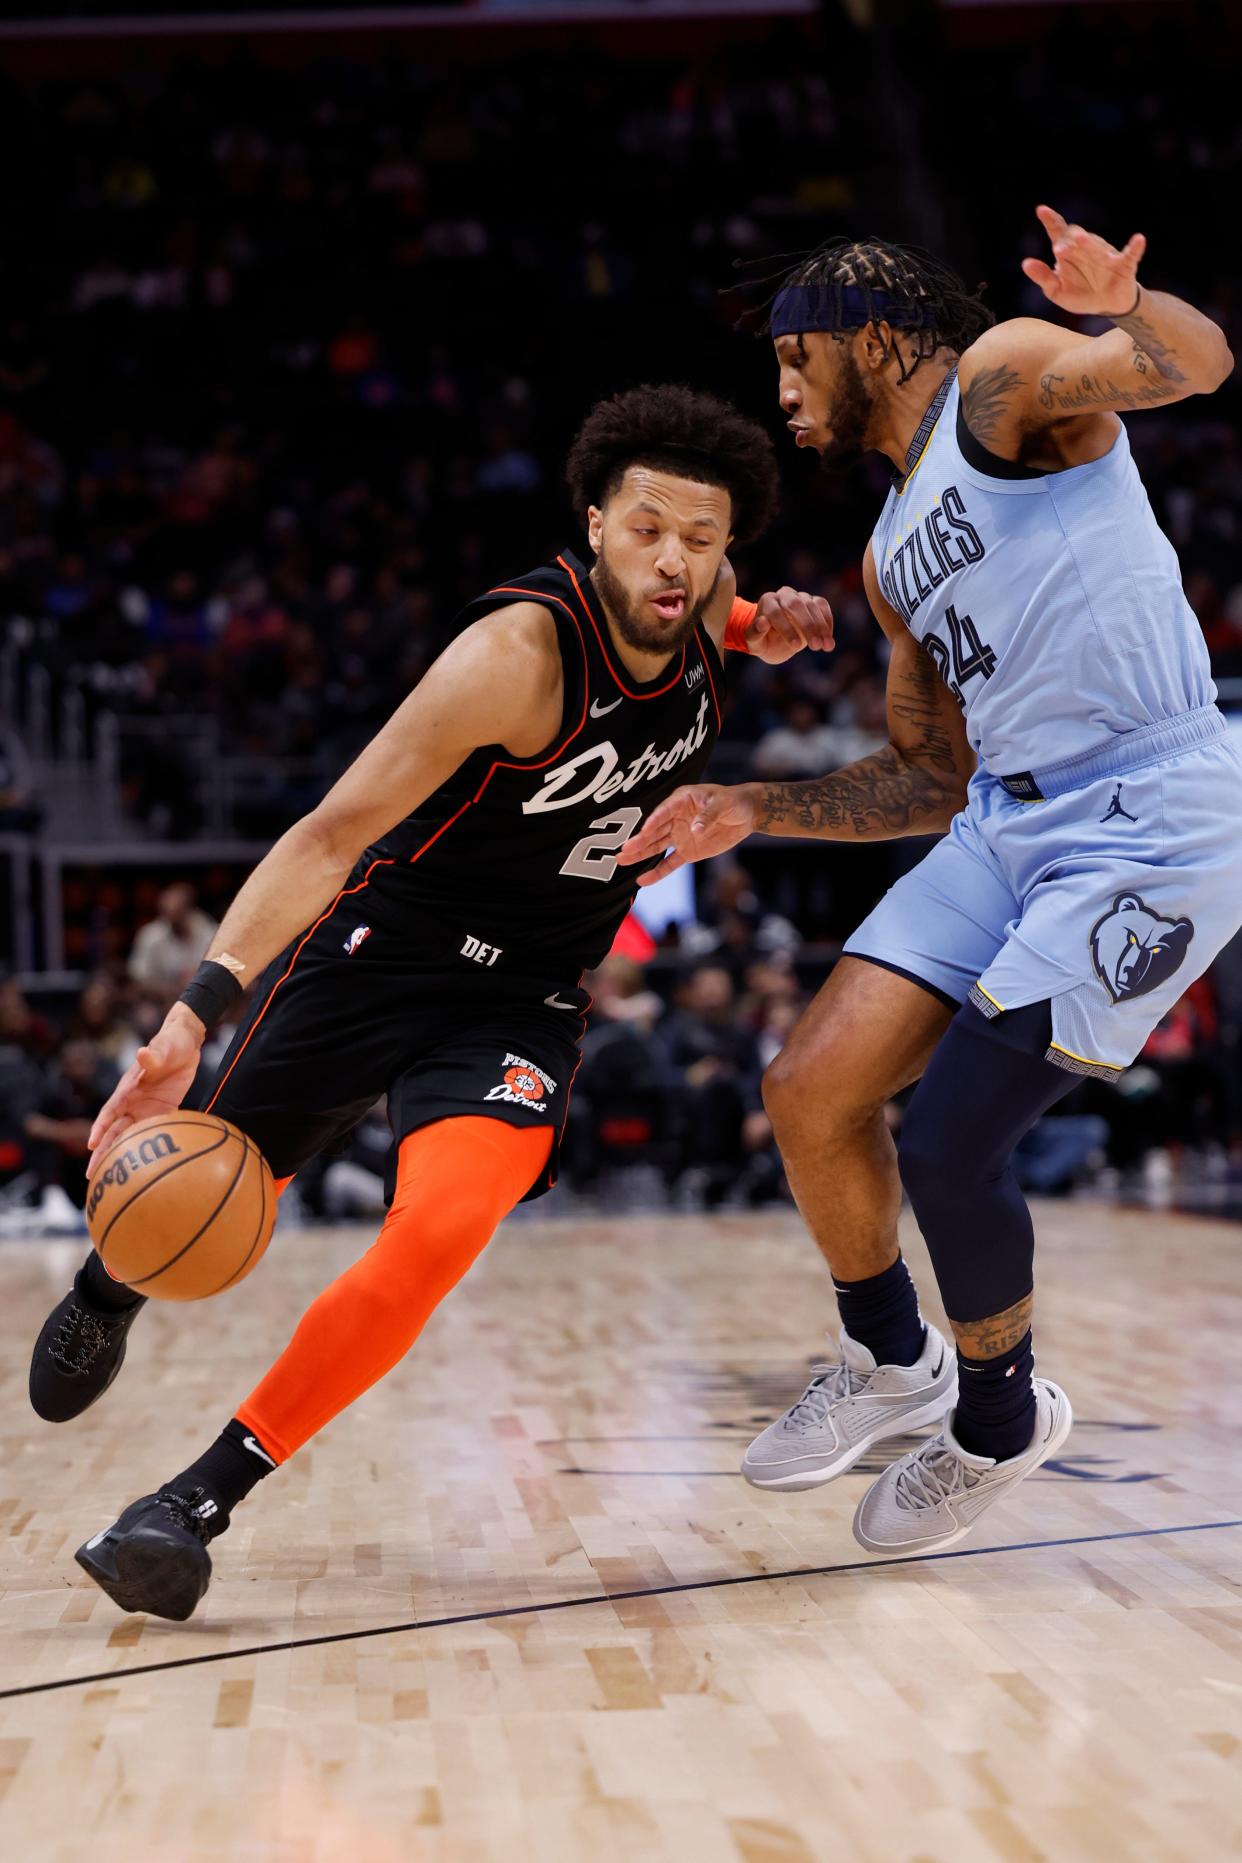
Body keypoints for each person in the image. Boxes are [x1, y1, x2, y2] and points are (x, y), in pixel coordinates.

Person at [28, 383, 833, 1621]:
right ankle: (110, 1289)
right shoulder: (512, 658)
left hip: (523, 1002)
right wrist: (191, 1014)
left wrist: (774, 630)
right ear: (594, 524)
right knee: (206, 1183)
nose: (673, 560)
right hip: (382, 950)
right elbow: (331, 828)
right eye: (647, 529)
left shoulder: (710, 616)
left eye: (705, 539)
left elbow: (735, 618)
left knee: (436, 1234)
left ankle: (190, 1507)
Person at [621, 209, 1240, 1553]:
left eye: (794, 362)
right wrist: (751, 805)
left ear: (868, 333)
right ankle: (890, 1357)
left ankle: (1000, 1415)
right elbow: (923, 773)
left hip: (1149, 812)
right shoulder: (890, 551)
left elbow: (1192, 365)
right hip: (1006, 819)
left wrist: (1124, 309)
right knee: (808, 1085)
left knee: (951, 1143)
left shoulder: (1003, 378)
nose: (780, 395)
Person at [128, 884, 219, 998]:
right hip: (162, 998)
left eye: (177, 913)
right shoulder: (150, 935)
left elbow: (223, 971)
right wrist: (172, 989)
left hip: (206, 995)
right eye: (167, 913)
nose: (172, 919)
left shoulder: (210, 932)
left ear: (188, 910)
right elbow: (138, 977)